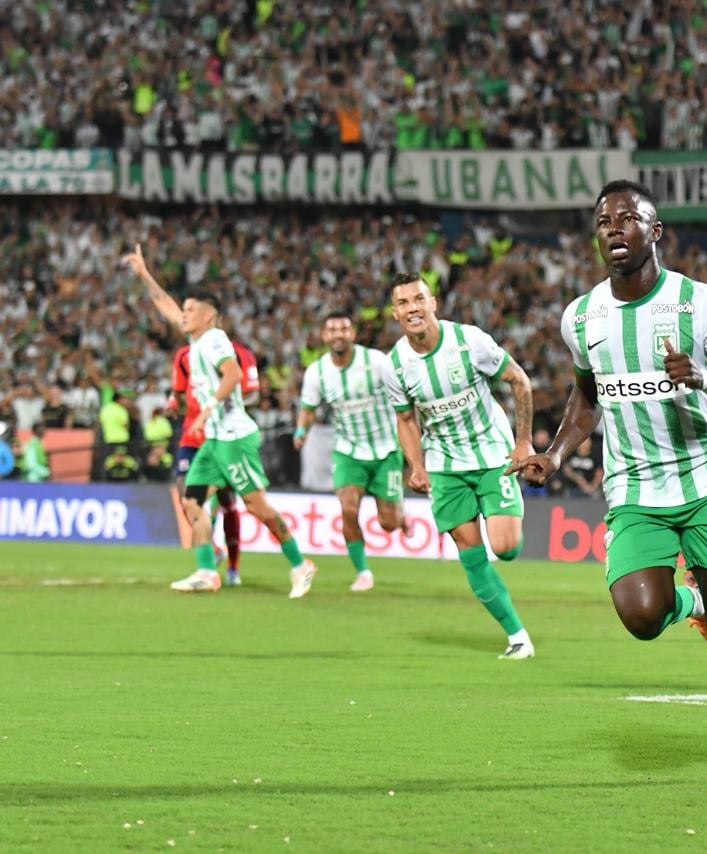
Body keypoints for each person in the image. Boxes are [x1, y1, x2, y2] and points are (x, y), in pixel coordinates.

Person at [507, 180, 707, 785]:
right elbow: (585, 395)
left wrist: (702, 378)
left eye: (628, 219)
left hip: (704, 480)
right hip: (633, 488)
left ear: (655, 232)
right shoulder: (581, 316)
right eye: (603, 221)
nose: (613, 229)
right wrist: (554, 451)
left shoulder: (699, 303)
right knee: (642, 615)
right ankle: (693, 601)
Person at [122, 244, 316, 597]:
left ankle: (301, 564)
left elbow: (233, 374)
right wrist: (145, 274)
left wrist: (209, 406)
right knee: (192, 502)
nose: (183, 313)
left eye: (191, 310)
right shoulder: (195, 341)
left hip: (233, 437)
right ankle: (206, 571)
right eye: (185, 309)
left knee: (257, 506)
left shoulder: (213, 341)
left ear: (209, 316)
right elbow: (166, 306)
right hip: (211, 441)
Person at [383, 273, 537, 659]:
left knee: (505, 548)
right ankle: (517, 635)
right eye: (403, 303)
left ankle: (501, 515)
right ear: (395, 313)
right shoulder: (395, 365)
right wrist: (416, 465)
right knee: (470, 555)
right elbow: (405, 419)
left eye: (418, 299)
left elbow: (518, 380)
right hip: (444, 464)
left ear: (433, 302)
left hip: (491, 454)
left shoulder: (469, 341)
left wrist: (522, 442)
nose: (412, 308)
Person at [296, 311, 407, 592]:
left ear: (353, 334)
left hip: (386, 450)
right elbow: (308, 409)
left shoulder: (376, 361)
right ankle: (362, 572)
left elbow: (403, 394)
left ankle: (400, 515)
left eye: (343, 329)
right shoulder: (317, 372)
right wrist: (301, 432)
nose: (338, 334)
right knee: (347, 509)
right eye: (332, 329)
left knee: (389, 524)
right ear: (324, 336)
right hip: (348, 450)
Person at [169, 336, 260, 585]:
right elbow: (178, 390)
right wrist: (172, 402)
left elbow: (253, 395)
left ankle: (232, 567)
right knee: (187, 495)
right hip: (193, 435)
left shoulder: (240, 354)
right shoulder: (184, 355)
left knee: (229, 501)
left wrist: (224, 405)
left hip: (224, 436)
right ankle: (211, 552)